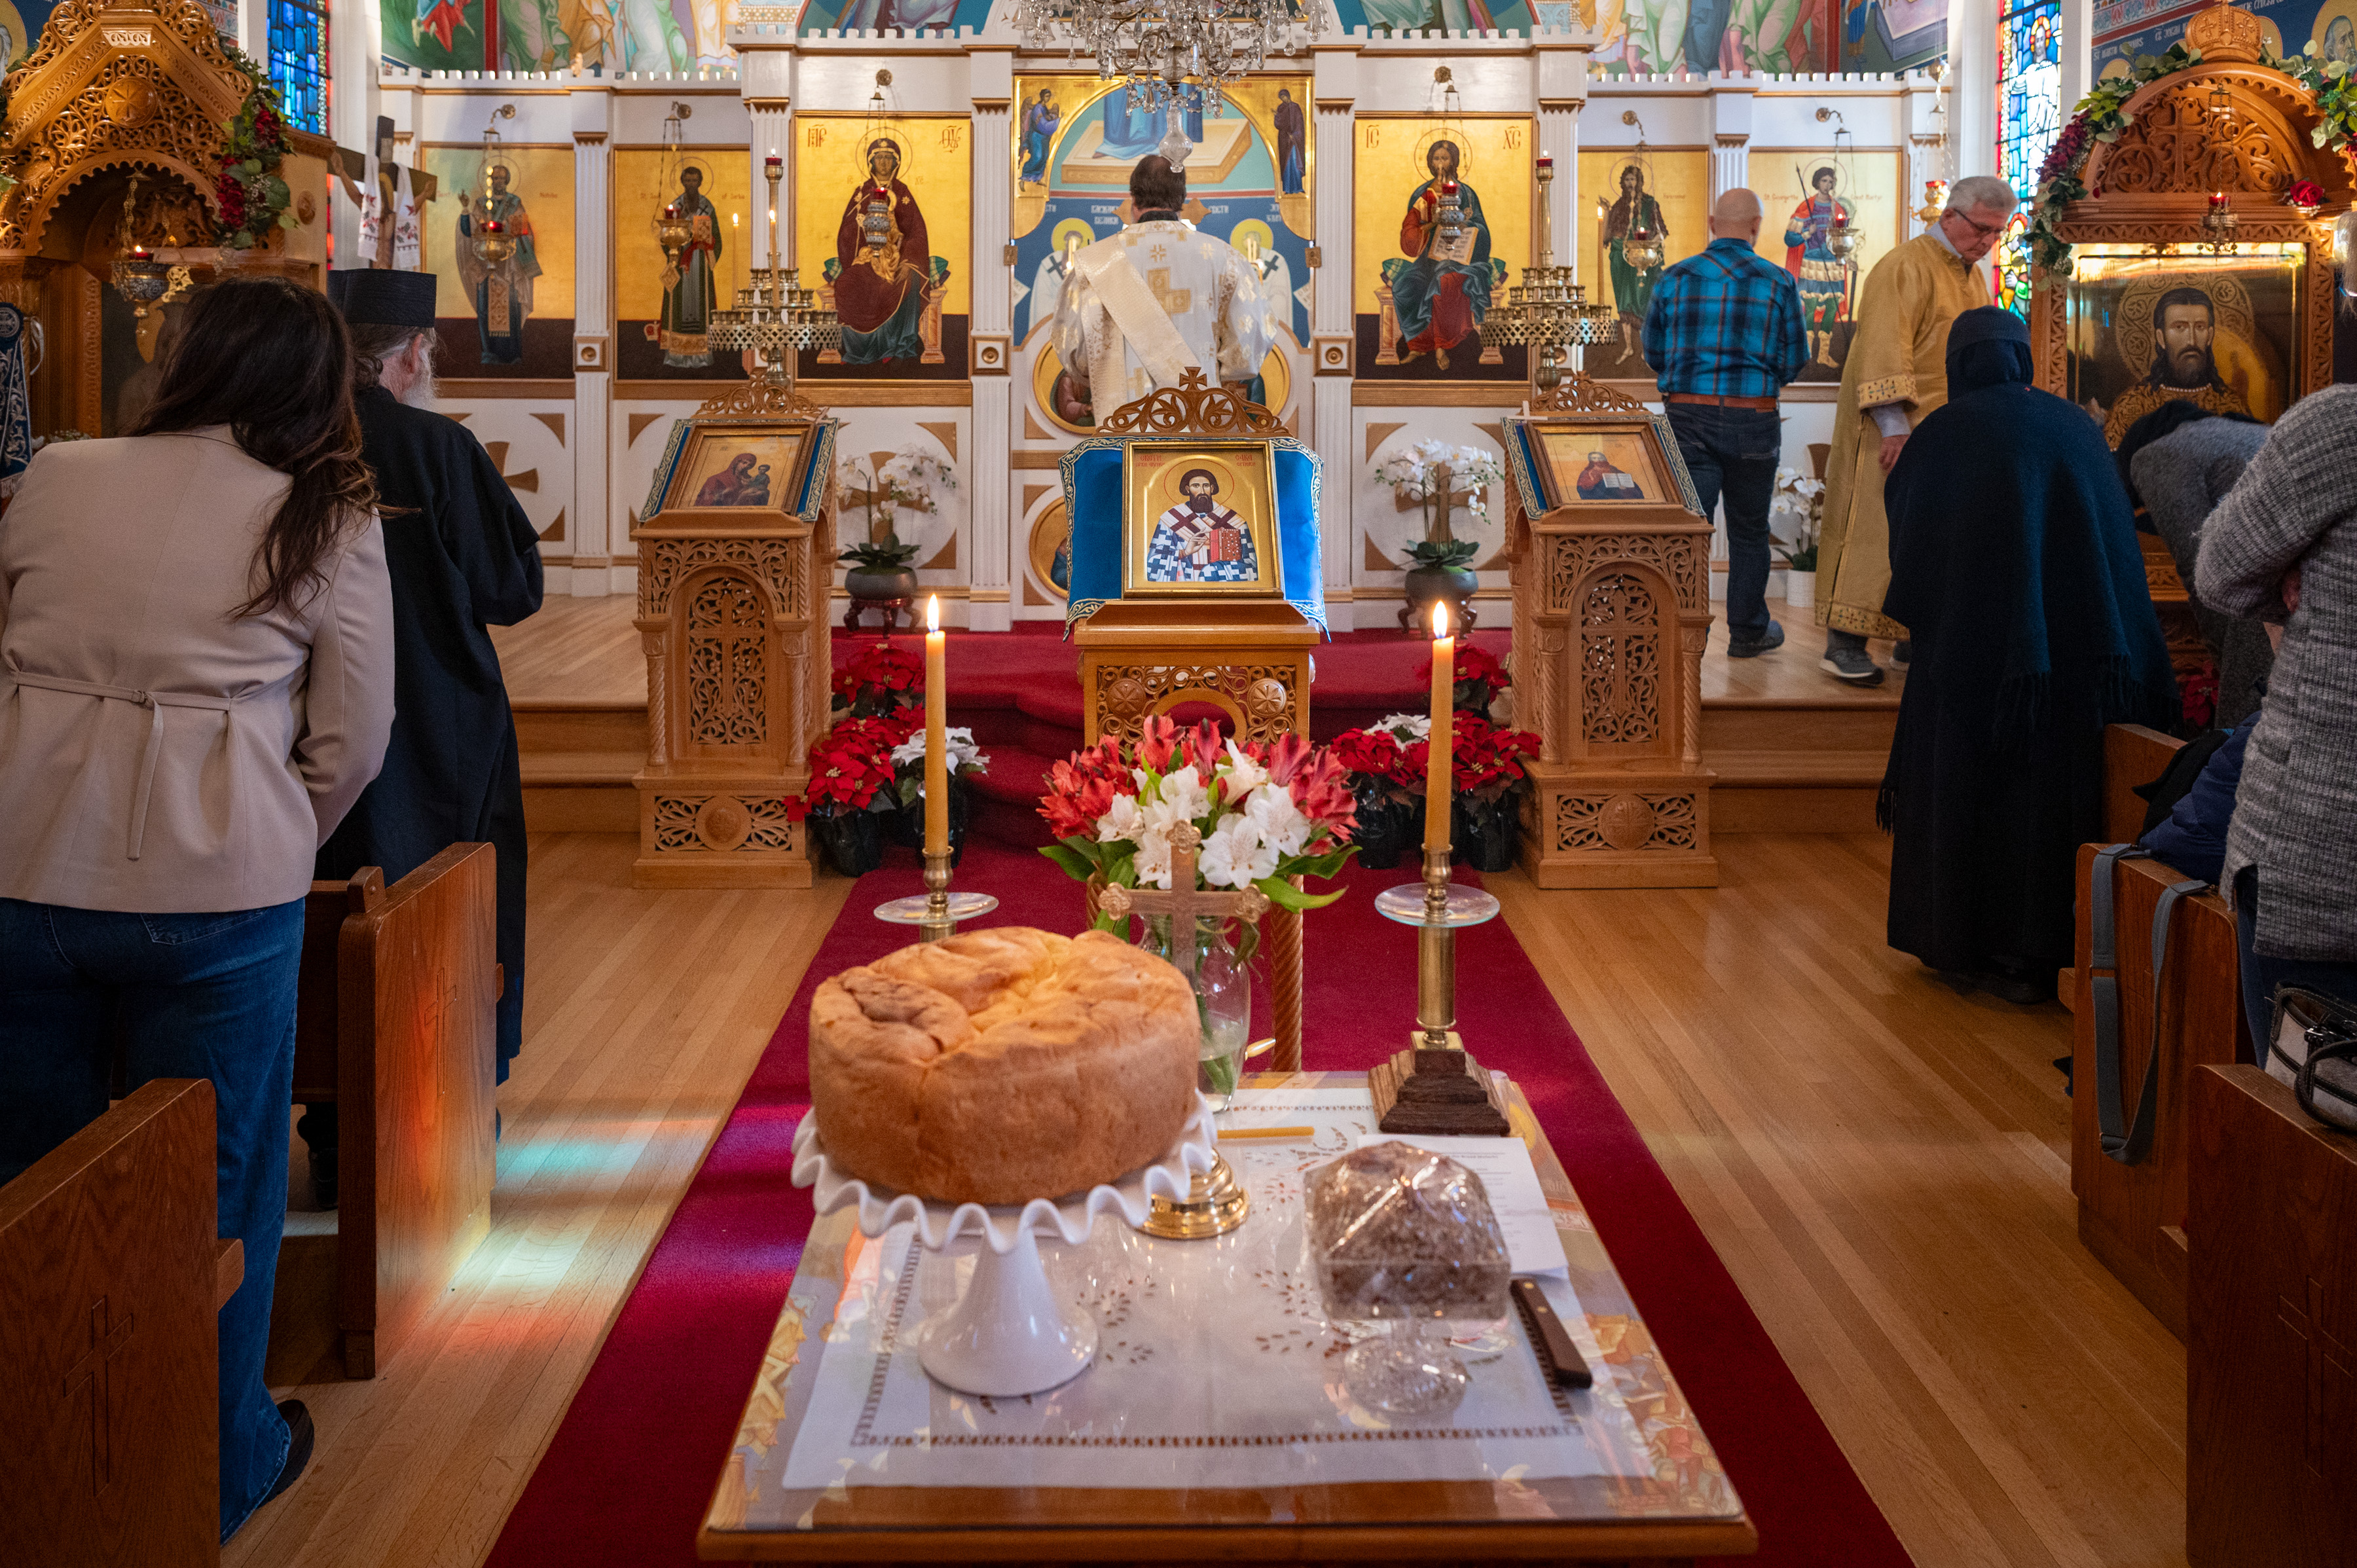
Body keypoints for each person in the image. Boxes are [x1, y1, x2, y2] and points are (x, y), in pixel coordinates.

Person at [0, 276, 395, 1539]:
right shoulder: (321, 511)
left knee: (32, 1183)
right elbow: (355, 736)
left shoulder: (55, 474)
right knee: (218, 1184)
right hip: (220, 894)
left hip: (25, 870)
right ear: (315, 389)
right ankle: (221, 1465)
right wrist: (267, 834)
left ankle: (37, 1470)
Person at [313, 270, 541, 1204]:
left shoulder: (297, 439)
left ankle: (333, 1137)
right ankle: (447, 1113)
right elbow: (511, 590)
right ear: (411, 355)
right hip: (438, 715)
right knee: (449, 901)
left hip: (312, 723)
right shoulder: (436, 446)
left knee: (331, 908)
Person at [1878, 307, 2174, 1003]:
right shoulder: (2075, 426)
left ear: (1958, 365)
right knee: (2050, 804)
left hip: (1966, 659)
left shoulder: (1941, 434)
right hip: (2073, 661)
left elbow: (1911, 541)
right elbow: (2111, 542)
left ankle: (1962, 941)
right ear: (2023, 359)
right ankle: (2049, 948)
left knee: (1968, 795)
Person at [2194, 384, 2357, 1054]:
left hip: (2322, 853)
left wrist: (2315, 592)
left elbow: (2221, 571)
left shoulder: (2339, 427)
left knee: (2310, 1106)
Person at [1817, 173, 2017, 686]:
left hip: (1947, 432)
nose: (1988, 242)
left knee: (1931, 538)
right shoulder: (1904, 266)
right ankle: (1845, 643)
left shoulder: (1971, 274)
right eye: (1981, 229)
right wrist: (1894, 426)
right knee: (1876, 530)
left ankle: (1913, 638)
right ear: (1949, 216)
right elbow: (1885, 346)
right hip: (1894, 432)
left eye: (1998, 232)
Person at [1641, 187, 1811, 657]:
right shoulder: (1779, 281)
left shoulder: (1673, 278)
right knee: (1750, 531)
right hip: (1753, 418)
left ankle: (1682, 634)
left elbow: (1653, 353)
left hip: (1687, 417)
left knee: (1688, 530)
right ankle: (1748, 632)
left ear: (1712, 224)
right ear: (1757, 227)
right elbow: (1795, 358)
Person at [1053, 155, 1276, 414]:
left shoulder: (1096, 263)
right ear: (1182, 200)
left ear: (1133, 199)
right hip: (1197, 415)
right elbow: (1247, 350)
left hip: (1122, 420)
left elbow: (1076, 354)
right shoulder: (1225, 259)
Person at [2120, 401, 2273, 727]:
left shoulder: (2155, 455)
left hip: (2258, 607)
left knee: (2245, 742)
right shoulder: (2259, 432)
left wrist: (2223, 660)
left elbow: (2200, 571)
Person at [2099, 287, 2257, 447]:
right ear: (2161, 338)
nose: (2191, 340)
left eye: (2200, 327)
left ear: (2210, 336)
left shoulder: (2230, 405)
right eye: (2180, 327)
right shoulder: (2132, 405)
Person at [834, 137, 939, 366]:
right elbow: (846, 233)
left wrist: (908, 262)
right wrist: (858, 227)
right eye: (879, 157)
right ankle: (857, 350)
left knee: (908, 280)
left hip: (895, 259)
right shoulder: (862, 192)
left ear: (896, 162)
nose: (883, 162)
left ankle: (897, 346)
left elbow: (917, 233)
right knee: (845, 284)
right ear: (871, 162)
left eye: (888, 158)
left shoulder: (903, 193)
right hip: (865, 258)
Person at [1390, 139, 1493, 370]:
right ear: (1429, 162)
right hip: (1428, 259)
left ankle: (1441, 346)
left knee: (1443, 282)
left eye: (1445, 158)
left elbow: (1483, 230)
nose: (1440, 163)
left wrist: (1467, 223)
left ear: (1454, 161)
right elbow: (1411, 231)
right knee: (1403, 287)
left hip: (1460, 260)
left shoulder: (1466, 193)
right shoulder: (1422, 194)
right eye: (1436, 158)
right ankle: (1418, 345)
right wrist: (1433, 223)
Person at [456, 162, 540, 366]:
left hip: (509, 267)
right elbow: (470, 232)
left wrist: (509, 229)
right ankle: (489, 353)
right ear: (491, 181)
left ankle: (512, 355)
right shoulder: (481, 203)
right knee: (485, 308)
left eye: (502, 178)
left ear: (507, 180)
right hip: (485, 266)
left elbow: (524, 232)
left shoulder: (515, 203)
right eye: (495, 178)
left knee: (511, 309)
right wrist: (466, 209)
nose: (498, 182)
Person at [1783, 165, 1855, 369]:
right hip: (1812, 263)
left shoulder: (1838, 209)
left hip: (1833, 264)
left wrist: (1847, 257)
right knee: (1810, 306)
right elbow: (1789, 239)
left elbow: (1843, 239)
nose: (1827, 185)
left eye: (1831, 181)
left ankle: (1823, 355)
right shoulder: (1805, 208)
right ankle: (1806, 354)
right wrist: (1808, 233)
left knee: (1832, 307)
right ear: (1817, 182)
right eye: (1824, 180)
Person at [1146, 467, 1258, 583]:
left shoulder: (1234, 521)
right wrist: (1184, 553)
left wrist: (1212, 571)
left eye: (1206, 486)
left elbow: (1251, 566)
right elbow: (1153, 564)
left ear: (1212, 488)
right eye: (1196, 486)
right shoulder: (1171, 519)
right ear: (1187, 489)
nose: (1202, 491)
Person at [1604, 164, 1668, 365]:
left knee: (1643, 302)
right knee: (1624, 302)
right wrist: (1606, 212)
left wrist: (1649, 247)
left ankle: (1645, 350)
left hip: (1643, 260)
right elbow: (1606, 236)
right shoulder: (1618, 206)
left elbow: (1661, 232)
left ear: (1640, 182)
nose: (1630, 183)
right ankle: (1629, 348)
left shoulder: (1650, 204)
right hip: (1621, 259)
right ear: (1622, 182)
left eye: (1634, 179)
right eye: (1627, 179)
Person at [659, 162, 721, 369]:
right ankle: (676, 355)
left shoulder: (707, 207)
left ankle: (701, 356)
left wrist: (707, 243)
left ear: (700, 182)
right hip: (680, 264)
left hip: (700, 265)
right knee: (679, 306)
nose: (691, 184)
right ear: (683, 182)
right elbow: (666, 237)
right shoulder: (675, 207)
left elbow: (716, 238)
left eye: (695, 180)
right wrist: (674, 248)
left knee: (700, 305)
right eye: (688, 180)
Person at [1274, 88, 1306, 196]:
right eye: (1282, 98)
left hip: (1295, 140)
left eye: (1284, 97)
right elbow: (1278, 125)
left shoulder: (1296, 107)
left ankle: (1298, 187)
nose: (1284, 99)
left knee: (1296, 161)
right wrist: (1277, 117)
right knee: (1287, 163)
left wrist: (1296, 135)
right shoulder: (1281, 108)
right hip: (1284, 139)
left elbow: (1300, 123)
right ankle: (1287, 188)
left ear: (1288, 96)